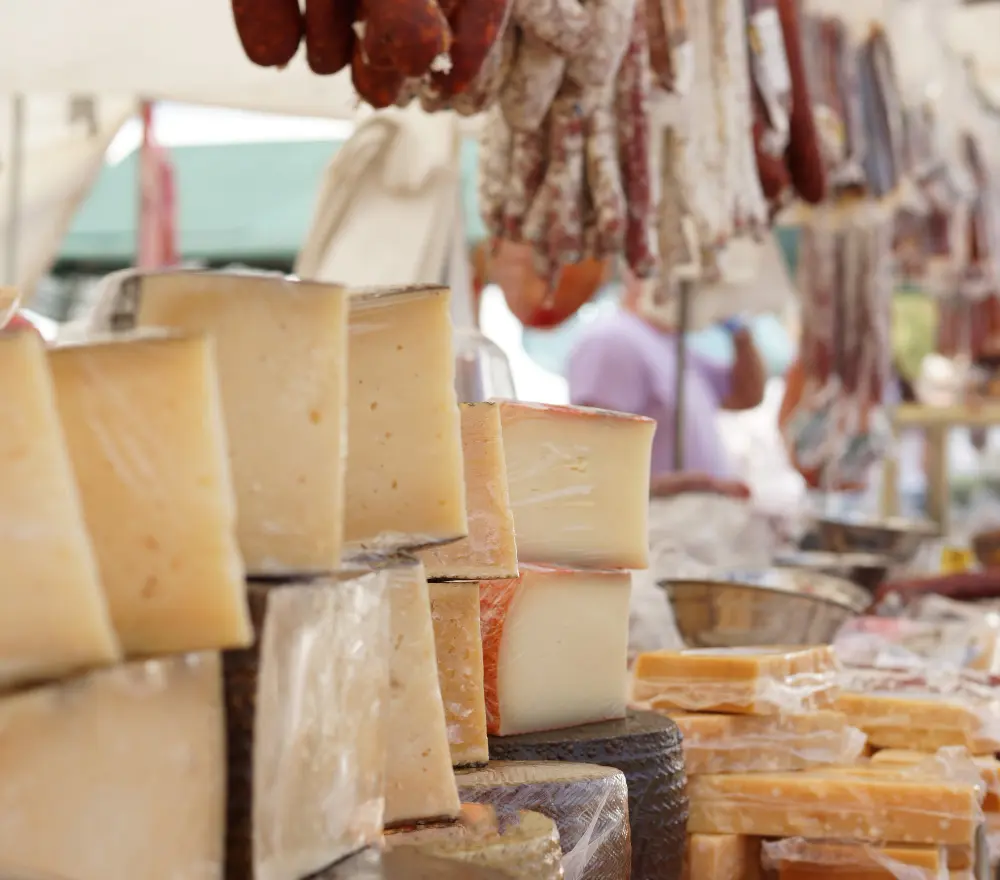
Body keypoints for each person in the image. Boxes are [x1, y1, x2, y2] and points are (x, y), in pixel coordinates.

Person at [566, 274, 766, 498]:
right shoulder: (611, 341)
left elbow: (745, 396)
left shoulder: (674, 346)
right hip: (653, 527)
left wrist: (741, 333)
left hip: (686, 523)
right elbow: (589, 467)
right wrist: (672, 489)